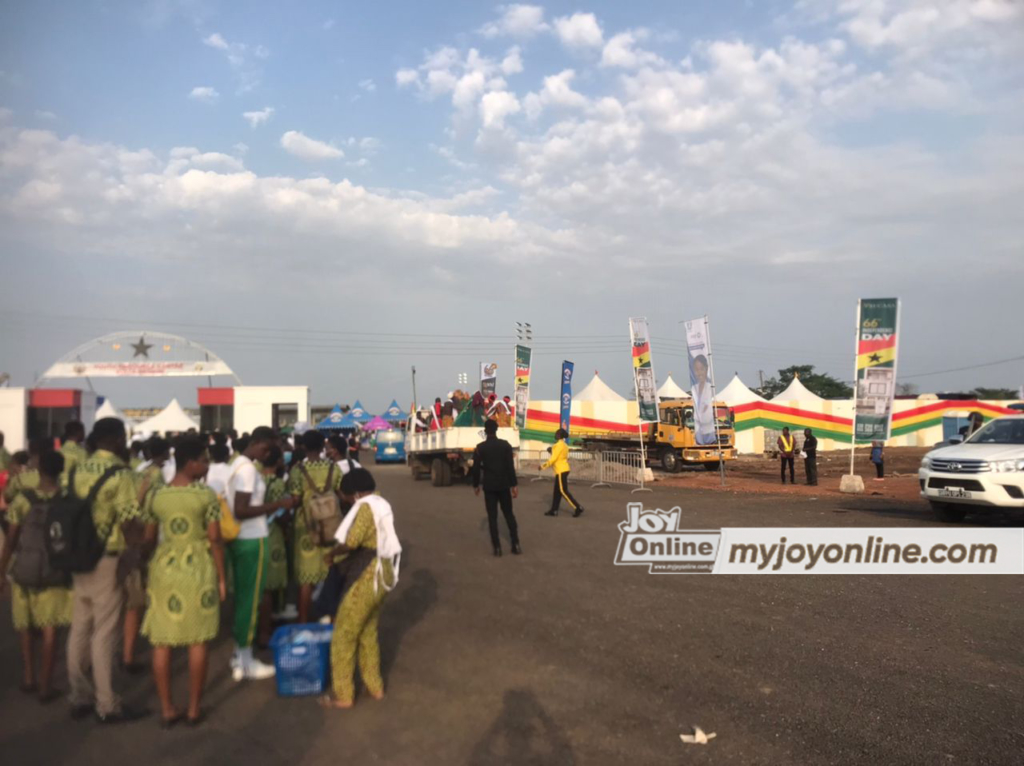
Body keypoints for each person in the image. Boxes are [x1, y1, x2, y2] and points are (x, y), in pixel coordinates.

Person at [140, 436, 227, 728]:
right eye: (203, 460)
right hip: (198, 568)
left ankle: (166, 709)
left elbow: (149, 539)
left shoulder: (156, 496)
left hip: (164, 566)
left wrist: (146, 571)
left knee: (162, 641)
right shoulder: (205, 496)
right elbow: (215, 539)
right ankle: (193, 709)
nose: (206, 465)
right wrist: (222, 577)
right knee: (197, 640)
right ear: (190, 463)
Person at [66, 417, 148, 723]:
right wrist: (136, 554)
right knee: (104, 633)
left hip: (76, 556)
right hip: (106, 556)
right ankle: (107, 704)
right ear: (115, 439)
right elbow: (129, 520)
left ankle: (78, 696)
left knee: (79, 627)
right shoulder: (120, 473)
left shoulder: (75, 469)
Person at [320, 468, 401, 710]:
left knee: (344, 633)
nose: (345, 502)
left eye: (345, 498)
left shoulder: (365, 507)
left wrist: (331, 554)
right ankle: (374, 687)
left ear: (355, 494)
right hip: (383, 571)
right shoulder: (380, 503)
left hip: (368, 574)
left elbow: (352, 542)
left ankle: (343, 694)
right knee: (367, 631)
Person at [0, 450, 73, 703]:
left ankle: (29, 677)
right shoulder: (67, 499)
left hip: (24, 568)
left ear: (39, 469)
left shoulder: (22, 500)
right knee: (51, 627)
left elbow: (10, 540)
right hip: (56, 570)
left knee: (26, 626)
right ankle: (46, 684)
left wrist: (1, 571)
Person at [225, 426, 281, 681]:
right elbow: (241, 509)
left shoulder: (236, 463)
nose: (267, 454)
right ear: (256, 442)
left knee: (244, 598)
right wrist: (278, 504)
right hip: (252, 538)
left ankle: (240, 654)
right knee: (251, 599)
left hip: (241, 539)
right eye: (266, 448)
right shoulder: (248, 469)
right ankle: (247, 661)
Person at [288, 430, 342, 623]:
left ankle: (304, 622)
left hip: (306, 528)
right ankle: (332, 621)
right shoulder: (333, 468)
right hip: (331, 525)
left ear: (303, 447)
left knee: (305, 581)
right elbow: (340, 491)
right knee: (331, 577)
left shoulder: (297, 470)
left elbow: (294, 499)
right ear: (322, 447)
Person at [472, 419, 520, 557]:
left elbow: (476, 469)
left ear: (486, 431)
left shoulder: (480, 448)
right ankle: (516, 544)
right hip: (504, 485)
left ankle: (497, 548)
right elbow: (510, 468)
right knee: (509, 515)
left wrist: (476, 485)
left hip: (489, 486)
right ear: (497, 430)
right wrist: (514, 485)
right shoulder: (505, 446)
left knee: (492, 517)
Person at [258, 446, 291, 645]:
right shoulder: (278, 484)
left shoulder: (255, 479)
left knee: (259, 585)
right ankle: (265, 630)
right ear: (278, 462)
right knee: (269, 586)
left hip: (254, 533)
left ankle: (259, 627)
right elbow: (283, 514)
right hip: (273, 534)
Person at [543, 429, 584, 518]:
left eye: (556, 433)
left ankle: (578, 507)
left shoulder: (557, 445)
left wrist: (543, 466)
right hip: (564, 469)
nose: (555, 434)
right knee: (557, 492)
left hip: (561, 470)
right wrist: (551, 451)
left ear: (559, 435)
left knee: (563, 491)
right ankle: (554, 510)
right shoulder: (564, 445)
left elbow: (553, 459)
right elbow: (560, 456)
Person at [689, 354, 717, 446]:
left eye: (701, 369)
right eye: (696, 370)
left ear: (706, 368)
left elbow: (705, 411)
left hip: (708, 432)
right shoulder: (694, 389)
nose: (699, 372)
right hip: (698, 434)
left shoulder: (710, 388)